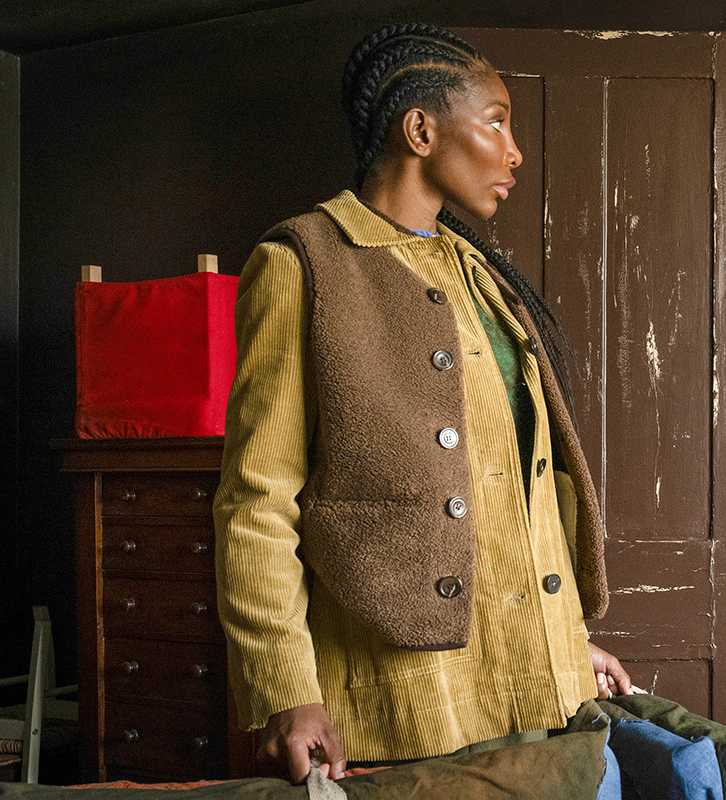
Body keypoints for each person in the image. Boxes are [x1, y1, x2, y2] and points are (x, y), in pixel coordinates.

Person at [213, 22, 630, 785]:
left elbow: (518, 495)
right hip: (403, 705)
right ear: (420, 128)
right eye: (497, 121)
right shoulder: (301, 262)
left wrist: (562, 641)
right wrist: (287, 692)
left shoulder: (477, 271)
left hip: (535, 694)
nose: (515, 152)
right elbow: (257, 501)